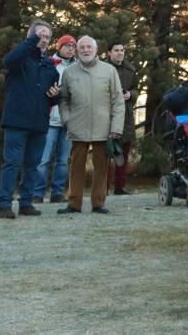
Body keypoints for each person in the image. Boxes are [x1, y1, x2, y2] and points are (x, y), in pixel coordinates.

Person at [0, 20, 61, 220]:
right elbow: (8, 61)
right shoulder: (20, 59)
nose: (44, 40)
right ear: (31, 37)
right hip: (16, 121)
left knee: (33, 165)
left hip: (39, 122)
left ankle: (26, 203)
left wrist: (56, 95)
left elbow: (54, 94)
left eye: (47, 37)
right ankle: (5, 205)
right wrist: (31, 41)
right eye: (40, 36)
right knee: (12, 164)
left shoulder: (50, 66)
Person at [57, 35, 124, 214]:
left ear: (96, 50)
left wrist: (116, 127)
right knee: (75, 167)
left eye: (89, 47)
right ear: (78, 50)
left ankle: (98, 203)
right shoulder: (69, 72)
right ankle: (74, 203)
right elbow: (63, 100)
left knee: (102, 168)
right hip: (77, 127)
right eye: (82, 47)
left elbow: (118, 101)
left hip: (104, 128)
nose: (86, 50)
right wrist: (66, 119)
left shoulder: (109, 71)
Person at [33, 34, 76, 204]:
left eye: (73, 46)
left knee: (63, 161)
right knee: (43, 160)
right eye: (67, 46)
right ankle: (37, 192)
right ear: (59, 47)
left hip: (69, 120)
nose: (70, 49)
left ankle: (57, 192)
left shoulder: (77, 66)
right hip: (50, 119)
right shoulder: (50, 63)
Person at [106, 40, 138, 195]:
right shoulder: (102, 69)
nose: (120, 53)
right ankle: (103, 188)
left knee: (123, 153)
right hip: (106, 114)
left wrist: (130, 95)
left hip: (125, 115)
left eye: (122, 50)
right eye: (116, 50)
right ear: (109, 53)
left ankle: (120, 187)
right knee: (105, 153)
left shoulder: (130, 70)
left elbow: (135, 89)